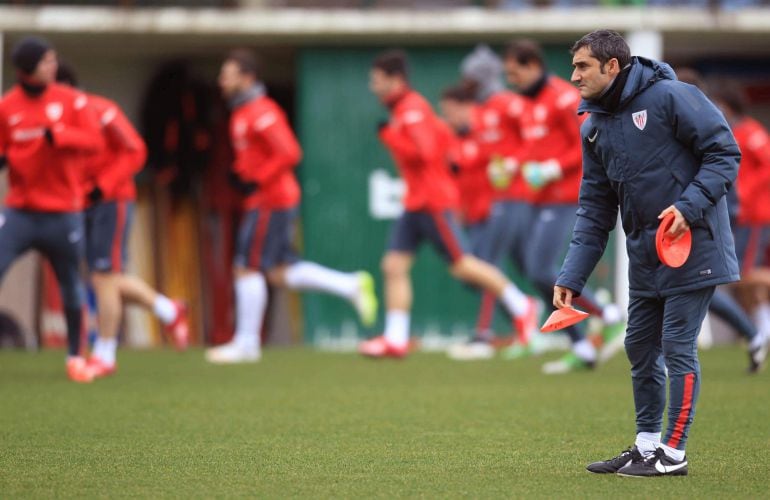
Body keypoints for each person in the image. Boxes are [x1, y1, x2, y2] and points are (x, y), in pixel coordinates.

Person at [558, 30, 740, 476]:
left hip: (693, 247)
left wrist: (688, 206)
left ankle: (673, 455)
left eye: (583, 66)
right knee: (639, 346)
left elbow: (724, 153)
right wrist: (571, 277)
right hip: (644, 258)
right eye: (574, 65)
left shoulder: (673, 97)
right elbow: (595, 209)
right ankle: (646, 446)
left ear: (612, 66)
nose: (574, 75)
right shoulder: (593, 127)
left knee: (678, 346)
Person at [359, 50, 534, 358]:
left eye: (376, 80)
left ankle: (522, 305)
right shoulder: (404, 109)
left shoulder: (411, 108)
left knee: (464, 266)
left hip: (431, 201)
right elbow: (441, 140)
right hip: (415, 202)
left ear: (394, 79)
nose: (373, 86)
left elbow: (424, 152)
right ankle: (396, 339)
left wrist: (389, 136)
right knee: (393, 265)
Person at [207, 49, 378, 364]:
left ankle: (246, 344)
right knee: (278, 272)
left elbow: (289, 152)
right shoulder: (241, 112)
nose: (222, 81)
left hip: (272, 200)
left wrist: (257, 179)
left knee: (247, 266)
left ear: (247, 77)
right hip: (266, 198)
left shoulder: (261, 110)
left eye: (227, 74)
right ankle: (349, 284)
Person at [55, 64, 191, 378]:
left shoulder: (101, 110)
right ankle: (169, 310)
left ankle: (105, 352)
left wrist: (104, 184)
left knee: (104, 276)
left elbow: (136, 151)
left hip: (111, 200)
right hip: (80, 204)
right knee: (105, 277)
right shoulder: (55, 123)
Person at [502, 39, 625, 373]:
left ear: (532, 67)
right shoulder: (526, 103)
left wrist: (553, 168)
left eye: (515, 73)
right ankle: (582, 347)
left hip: (568, 195)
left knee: (542, 269)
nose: (511, 80)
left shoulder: (562, 97)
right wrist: (515, 164)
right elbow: (533, 147)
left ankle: (608, 315)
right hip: (539, 197)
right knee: (536, 272)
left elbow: (585, 143)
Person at [0, 37, 104, 382]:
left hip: (63, 212)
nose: (53, 66)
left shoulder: (72, 100)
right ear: (27, 69)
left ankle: (76, 357)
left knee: (71, 283)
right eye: (46, 61)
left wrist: (60, 135)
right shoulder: (7, 106)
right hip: (20, 212)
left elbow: (94, 141)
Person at [446, 45, 539, 361]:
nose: (465, 83)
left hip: (512, 194)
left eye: (469, 77)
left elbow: (534, 139)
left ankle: (485, 334)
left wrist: (517, 164)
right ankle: (530, 317)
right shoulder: (482, 111)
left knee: (486, 264)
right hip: (495, 199)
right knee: (523, 266)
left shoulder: (507, 103)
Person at [711, 81, 770, 372]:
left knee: (743, 275)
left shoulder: (751, 131)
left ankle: (761, 326)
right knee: (734, 278)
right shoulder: (729, 133)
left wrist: (745, 189)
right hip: (737, 216)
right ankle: (757, 328)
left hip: (756, 216)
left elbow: (767, 165)